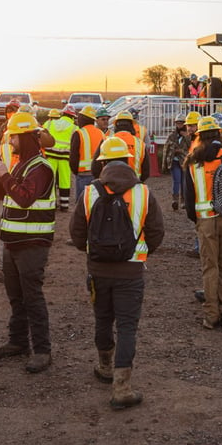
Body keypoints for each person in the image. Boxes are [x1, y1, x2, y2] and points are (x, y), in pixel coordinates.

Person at [70, 155, 164, 409]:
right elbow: (156, 232)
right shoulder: (143, 193)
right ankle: (122, 388)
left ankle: (104, 367)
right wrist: (138, 254)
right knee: (126, 327)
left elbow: (76, 233)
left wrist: (95, 254)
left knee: (102, 319)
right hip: (131, 273)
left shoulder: (89, 193)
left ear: (102, 165)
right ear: (129, 162)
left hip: (98, 271)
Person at [0, 112, 56, 373]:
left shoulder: (41, 167)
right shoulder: (21, 164)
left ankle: (42, 350)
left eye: (14, 136)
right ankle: (17, 342)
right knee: (16, 297)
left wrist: (4, 175)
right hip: (13, 241)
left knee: (32, 298)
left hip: (32, 244)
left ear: (26, 137)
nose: (10, 141)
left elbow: (25, 198)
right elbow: (5, 197)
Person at [184, 116, 222, 330]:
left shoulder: (192, 160)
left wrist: (198, 219)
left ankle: (211, 315)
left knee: (210, 268)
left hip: (206, 220)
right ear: (219, 133)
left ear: (198, 135)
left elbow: (188, 199)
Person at [69, 105, 105, 205]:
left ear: (83, 119)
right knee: (96, 203)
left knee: (82, 204)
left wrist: (75, 171)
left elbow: (73, 156)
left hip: (83, 174)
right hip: (99, 174)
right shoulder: (101, 133)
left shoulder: (79, 133)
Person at [44, 107, 77, 211]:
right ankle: (64, 205)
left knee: (50, 179)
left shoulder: (49, 124)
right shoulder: (74, 128)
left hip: (50, 156)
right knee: (65, 181)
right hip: (65, 158)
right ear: (72, 117)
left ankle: (51, 204)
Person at [163, 113, 190, 210]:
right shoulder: (172, 135)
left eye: (181, 123)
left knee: (184, 181)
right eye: (177, 123)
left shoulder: (188, 135)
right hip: (174, 161)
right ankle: (175, 200)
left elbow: (191, 148)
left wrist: (186, 137)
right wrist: (165, 164)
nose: (179, 125)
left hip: (184, 161)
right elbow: (166, 148)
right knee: (177, 180)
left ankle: (183, 201)